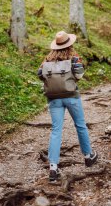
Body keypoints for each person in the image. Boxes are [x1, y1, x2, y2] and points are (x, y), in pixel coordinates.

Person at [38, 30, 98, 182]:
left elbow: (40, 74)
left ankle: (53, 167)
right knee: (80, 125)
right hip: (71, 96)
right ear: (69, 44)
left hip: (53, 99)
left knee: (56, 130)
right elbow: (78, 75)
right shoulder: (74, 58)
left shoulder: (46, 61)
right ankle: (88, 156)